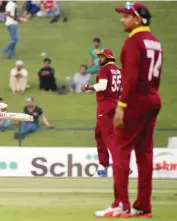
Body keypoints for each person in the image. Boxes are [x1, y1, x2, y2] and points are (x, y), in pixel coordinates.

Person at [95, 3, 162, 218]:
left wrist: (122, 106)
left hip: (135, 101)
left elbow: (130, 78)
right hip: (153, 99)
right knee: (145, 154)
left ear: (138, 19)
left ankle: (121, 204)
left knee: (121, 151)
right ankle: (143, 206)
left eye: (126, 16)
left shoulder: (134, 41)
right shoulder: (156, 42)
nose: (122, 20)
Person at [80, 49, 122, 177]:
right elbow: (122, 88)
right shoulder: (118, 70)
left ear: (109, 57)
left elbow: (102, 86)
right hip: (115, 103)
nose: (99, 59)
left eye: (102, 56)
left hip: (105, 105)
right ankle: (102, 166)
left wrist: (87, 87)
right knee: (99, 134)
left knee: (108, 136)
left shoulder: (104, 70)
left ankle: (121, 164)